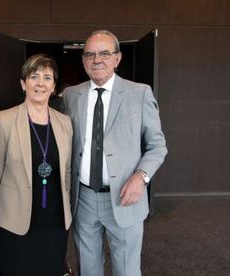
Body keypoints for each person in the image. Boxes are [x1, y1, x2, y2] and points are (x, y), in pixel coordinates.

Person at [63, 30, 167, 276]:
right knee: (88, 269)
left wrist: (140, 177)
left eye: (104, 53)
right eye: (89, 54)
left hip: (124, 197)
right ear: (83, 60)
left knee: (127, 271)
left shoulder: (139, 93)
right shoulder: (71, 95)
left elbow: (157, 144)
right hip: (83, 199)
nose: (96, 59)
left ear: (117, 59)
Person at [0, 54, 73, 276]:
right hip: (14, 223)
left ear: (54, 87)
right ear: (23, 84)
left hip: (54, 223)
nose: (40, 83)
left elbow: (67, 172)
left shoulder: (65, 123)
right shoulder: (4, 120)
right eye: (34, 76)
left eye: (47, 77)